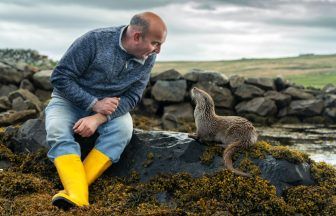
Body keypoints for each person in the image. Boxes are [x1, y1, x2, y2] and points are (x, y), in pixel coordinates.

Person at [44, 12, 167, 209]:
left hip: (109, 110)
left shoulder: (148, 57)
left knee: (123, 131)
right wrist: (93, 103)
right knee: (57, 129)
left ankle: (75, 191)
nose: (158, 50)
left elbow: (133, 97)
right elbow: (60, 77)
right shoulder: (94, 40)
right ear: (136, 37)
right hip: (67, 101)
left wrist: (99, 117)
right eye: (155, 43)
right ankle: (79, 195)